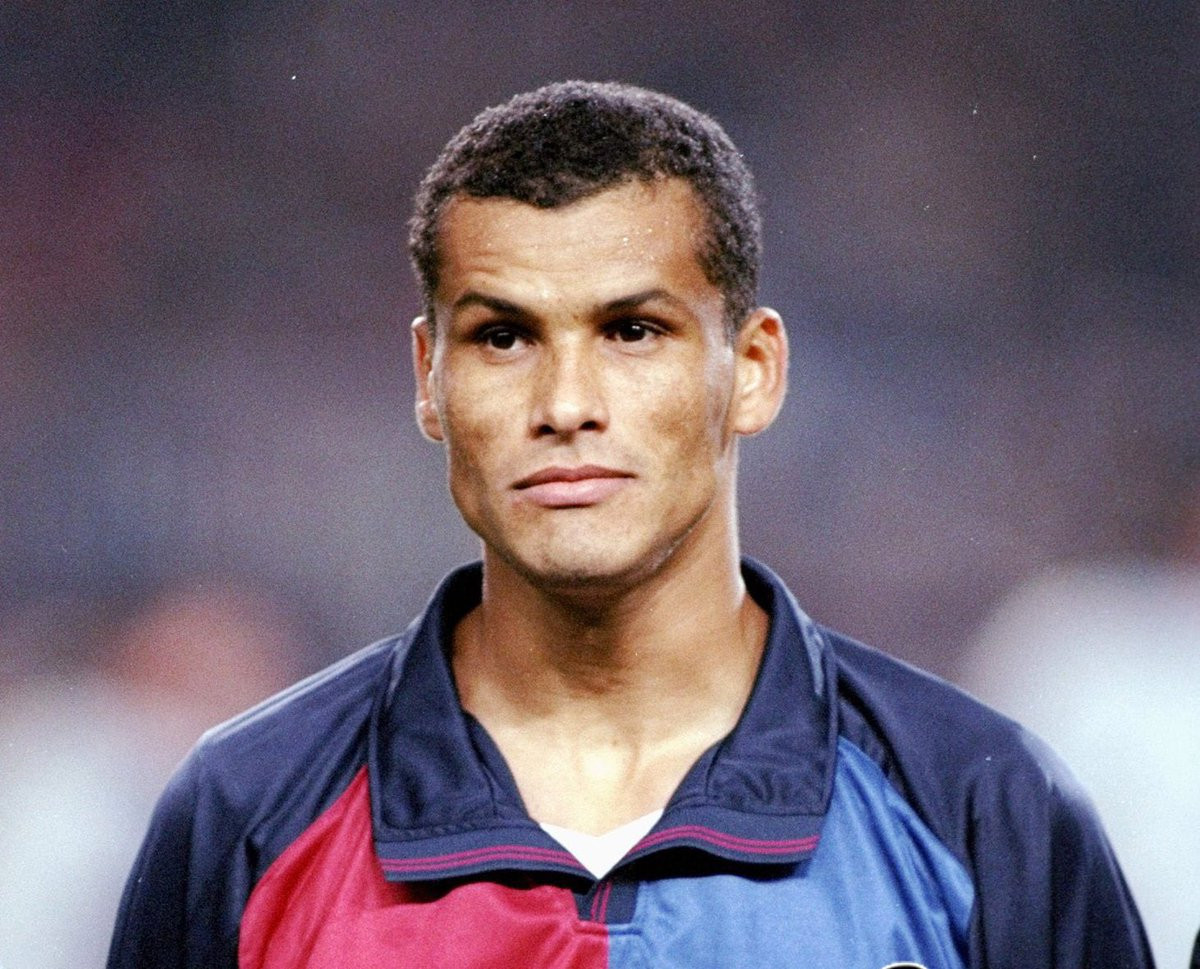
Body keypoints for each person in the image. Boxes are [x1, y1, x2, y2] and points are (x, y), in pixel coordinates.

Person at [108, 81, 1153, 969]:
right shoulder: (246, 818)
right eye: (503, 336)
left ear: (754, 369)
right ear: (428, 378)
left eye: (633, 330)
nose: (566, 403)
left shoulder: (984, 815)